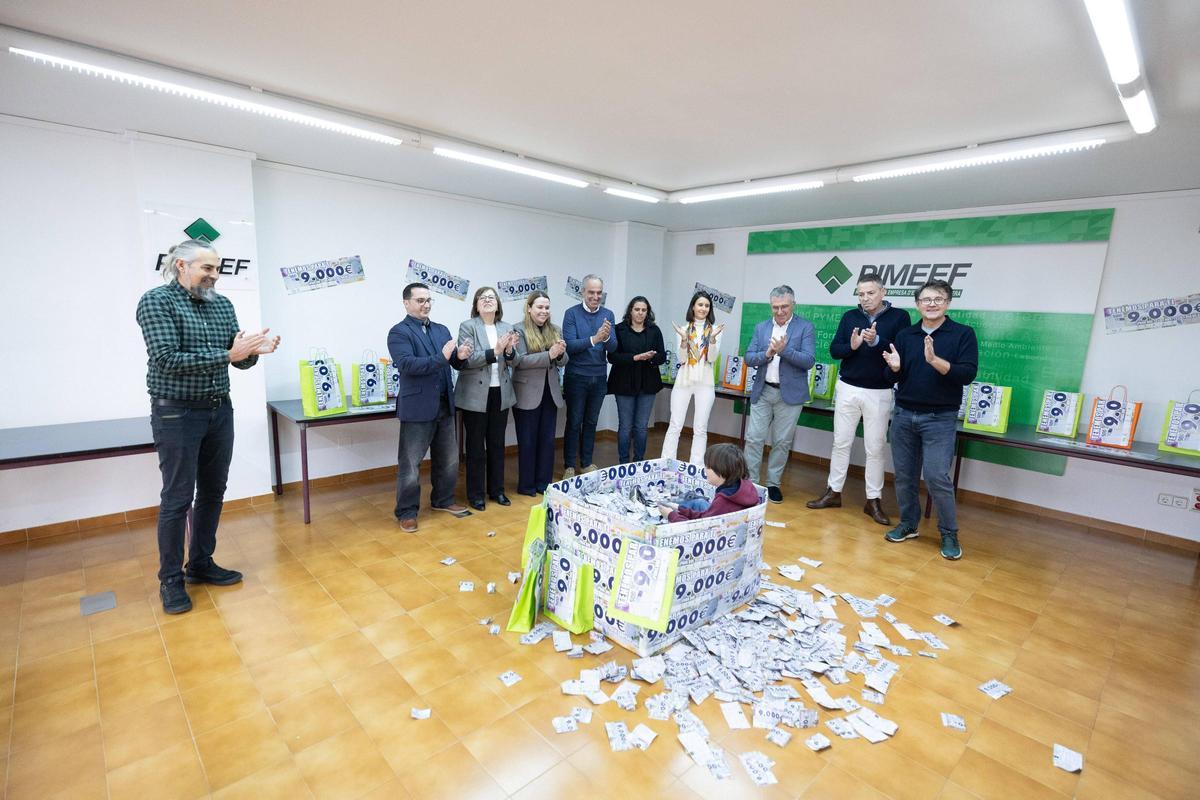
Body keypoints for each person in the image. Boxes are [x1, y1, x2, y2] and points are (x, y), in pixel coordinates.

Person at [136, 238, 280, 614]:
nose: (214, 275)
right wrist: (229, 354)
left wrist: (253, 353)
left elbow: (236, 361)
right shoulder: (156, 301)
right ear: (181, 266)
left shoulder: (223, 306)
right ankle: (170, 580)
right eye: (207, 268)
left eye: (217, 268)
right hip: (176, 413)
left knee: (214, 490)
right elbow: (168, 359)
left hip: (219, 409)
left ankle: (200, 563)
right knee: (178, 497)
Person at [881, 278, 978, 560]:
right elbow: (891, 377)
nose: (932, 304)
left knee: (937, 476)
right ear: (917, 304)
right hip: (904, 414)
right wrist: (895, 368)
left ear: (947, 303)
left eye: (938, 299)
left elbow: (967, 374)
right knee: (905, 476)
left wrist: (935, 360)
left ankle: (949, 533)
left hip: (940, 418)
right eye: (926, 300)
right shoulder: (906, 335)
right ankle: (909, 524)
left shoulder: (962, 334)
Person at [807, 276, 912, 525]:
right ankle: (833, 492)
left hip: (880, 391)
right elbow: (835, 350)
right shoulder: (849, 317)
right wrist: (852, 345)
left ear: (883, 292)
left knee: (875, 448)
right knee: (840, 443)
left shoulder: (900, 317)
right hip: (847, 388)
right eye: (861, 294)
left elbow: (901, 351)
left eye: (870, 293)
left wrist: (876, 342)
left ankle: (873, 500)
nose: (865, 298)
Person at [387, 283, 473, 532]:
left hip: (445, 406)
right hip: (418, 408)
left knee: (448, 460)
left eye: (428, 300)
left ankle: (443, 500)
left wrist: (461, 356)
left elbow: (452, 363)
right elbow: (408, 365)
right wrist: (443, 357)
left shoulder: (441, 329)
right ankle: (406, 511)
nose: (426, 305)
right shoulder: (399, 333)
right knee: (410, 464)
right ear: (406, 303)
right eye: (420, 300)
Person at [743, 285, 816, 503]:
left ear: (793, 304)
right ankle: (752, 483)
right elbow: (749, 357)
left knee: (782, 442)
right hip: (764, 390)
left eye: (784, 306)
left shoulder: (805, 327)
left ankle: (773, 484)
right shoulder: (761, 327)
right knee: (754, 438)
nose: (780, 311)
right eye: (775, 307)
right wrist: (767, 353)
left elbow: (808, 360)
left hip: (790, 395)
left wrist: (784, 351)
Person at [453, 287, 520, 511]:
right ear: (476, 304)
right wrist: (496, 350)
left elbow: (513, 361)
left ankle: (497, 491)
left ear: (498, 304)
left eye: (492, 298)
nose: (488, 301)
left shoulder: (507, 327)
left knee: (497, 444)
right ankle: (476, 494)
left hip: (500, 392)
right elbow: (467, 360)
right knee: (475, 447)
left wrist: (509, 351)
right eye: (484, 298)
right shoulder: (468, 326)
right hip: (474, 396)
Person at [512, 291, 568, 495]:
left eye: (547, 307)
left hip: (551, 392)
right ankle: (526, 486)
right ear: (529, 308)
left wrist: (560, 353)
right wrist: (549, 355)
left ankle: (543, 484)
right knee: (527, 442)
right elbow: (518, 361)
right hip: (527, 393)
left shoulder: (556, 329)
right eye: (539, 307)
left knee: (547, 441)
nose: (544, 311)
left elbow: (563, 361)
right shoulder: (517, 329)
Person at [561, 274, 616, 478]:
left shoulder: (608, 314)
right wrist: (595, 339)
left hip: (599, 377)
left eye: (599, 293)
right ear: (582, 292)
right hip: (576, 377)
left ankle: (586, 463)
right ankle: (568, 465)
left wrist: (607, 337)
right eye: (591, 292)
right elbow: (571, 346)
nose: (595, 296)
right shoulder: (571, 314)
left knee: (591, 422)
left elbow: (613, 348)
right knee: (574, 421)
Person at [661, 291, 724, 464]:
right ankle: (667, 463)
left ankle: (696, 467)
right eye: (700, 304)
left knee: (701, 429)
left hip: (705, 382)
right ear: (693, 307)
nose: (703, 308)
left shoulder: (715, 331)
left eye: (707, 305)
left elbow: (711, 359)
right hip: (684, 380)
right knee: (675, 425)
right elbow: (682, 359)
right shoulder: (683, 329)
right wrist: (683, 341)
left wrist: (711, 340)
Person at [607, 296, 666, 463]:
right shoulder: (619, 329)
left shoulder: (654, 330)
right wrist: (635, 357)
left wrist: (651, 357)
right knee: (625, 427)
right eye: (637, 309)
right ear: (630, 311)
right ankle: (624, 463)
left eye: (644, 310)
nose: (640, 313)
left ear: (648, 312)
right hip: (623, 383)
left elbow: (662, 356)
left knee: (641, 427)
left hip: (648, 384)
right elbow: (612, 357)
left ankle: (639, 461)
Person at [659, 444, 758, 522]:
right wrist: (680, 509)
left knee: (693, 503)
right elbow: (706, 515)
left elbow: (699, 529)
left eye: (708, 467)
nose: (705, 470)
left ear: (721, 470)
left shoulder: (722, 502)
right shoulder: (744, 486)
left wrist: (671, 515)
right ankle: (676, 505)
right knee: (698, 502)